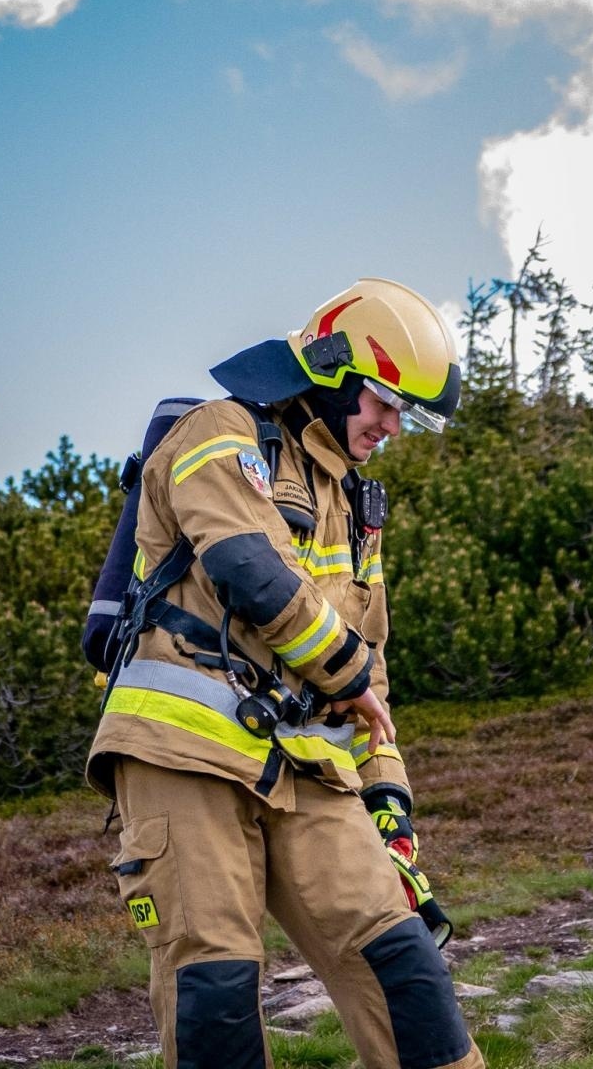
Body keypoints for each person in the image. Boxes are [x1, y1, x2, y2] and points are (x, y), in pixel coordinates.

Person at [86, 278, 483, 1069]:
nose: (392, 426)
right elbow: (249, 568)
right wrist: (346, 675)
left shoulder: (354, 502)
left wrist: (389, 798)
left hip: (310, 768)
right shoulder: (218, 430)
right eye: (383, 402)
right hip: (180, 753)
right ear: (334, 374)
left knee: (405, 963)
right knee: (217, 989)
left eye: (407, 413)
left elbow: (371, 674)